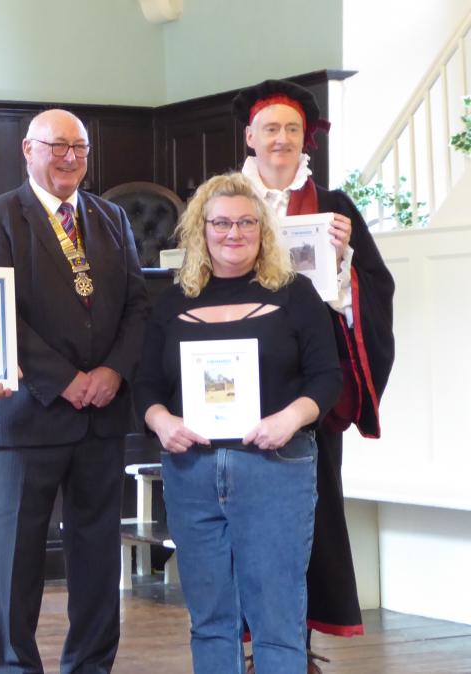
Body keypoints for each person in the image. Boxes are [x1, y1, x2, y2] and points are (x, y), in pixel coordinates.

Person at [134, 172, 342, 674]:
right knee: (209, 619)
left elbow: (327, 378)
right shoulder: (171, 302)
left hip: (276, 467)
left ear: (263, 229)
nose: (234, 233)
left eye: (247, 222)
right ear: (200, 229)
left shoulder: (296, 294)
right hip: (192, 472)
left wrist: (290, 419)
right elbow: (145, 388)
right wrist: (161, 422)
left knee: (277, 621)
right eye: (222, 222)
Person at [0, 108, 150, 674]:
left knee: (96, 559)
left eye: (80, 148)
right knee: (15, 562)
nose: (70, 158)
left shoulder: (112, 217)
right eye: (57, 146)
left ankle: (90, 665)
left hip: (101, 417)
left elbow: (139, 304)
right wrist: (66, 380)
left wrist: (113, 372)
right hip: (26, 416)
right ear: (28, 149)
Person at [233, 79, 395, 672]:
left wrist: (345, 263)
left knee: (308, 522)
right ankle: (245, 649)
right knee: (239, 520)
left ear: (308, 140)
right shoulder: (221, 201)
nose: (281, 139)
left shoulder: (336, 208)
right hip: (237, 383)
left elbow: (375, 291)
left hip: (311, 391)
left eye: (292, 130)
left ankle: (291, 651)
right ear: (249, 136)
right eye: (270, 128)